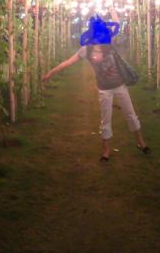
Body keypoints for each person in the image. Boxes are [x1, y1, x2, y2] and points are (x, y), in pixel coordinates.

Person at [42, 10, 150, 162]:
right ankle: (106, 151)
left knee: (130, 114)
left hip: (120, 85)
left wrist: (113, 11)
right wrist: (50, 73)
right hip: (104, 89)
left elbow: (117, 24)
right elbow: (67, 63)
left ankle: (141, 142)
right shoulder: (86, 50)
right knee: (105, 119)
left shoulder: (108, 45)